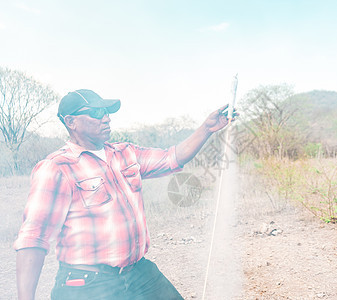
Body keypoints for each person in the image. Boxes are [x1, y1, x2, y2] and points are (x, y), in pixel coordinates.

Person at [14, 89, 235, 300]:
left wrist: (207, 128)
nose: (106, 118)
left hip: (137, 271)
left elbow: (172, 158)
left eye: (107, 112)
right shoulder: (56, 168)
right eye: (97, 113)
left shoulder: (125, 153)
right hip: (87, 284)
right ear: (71, 122)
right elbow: (33, 239)